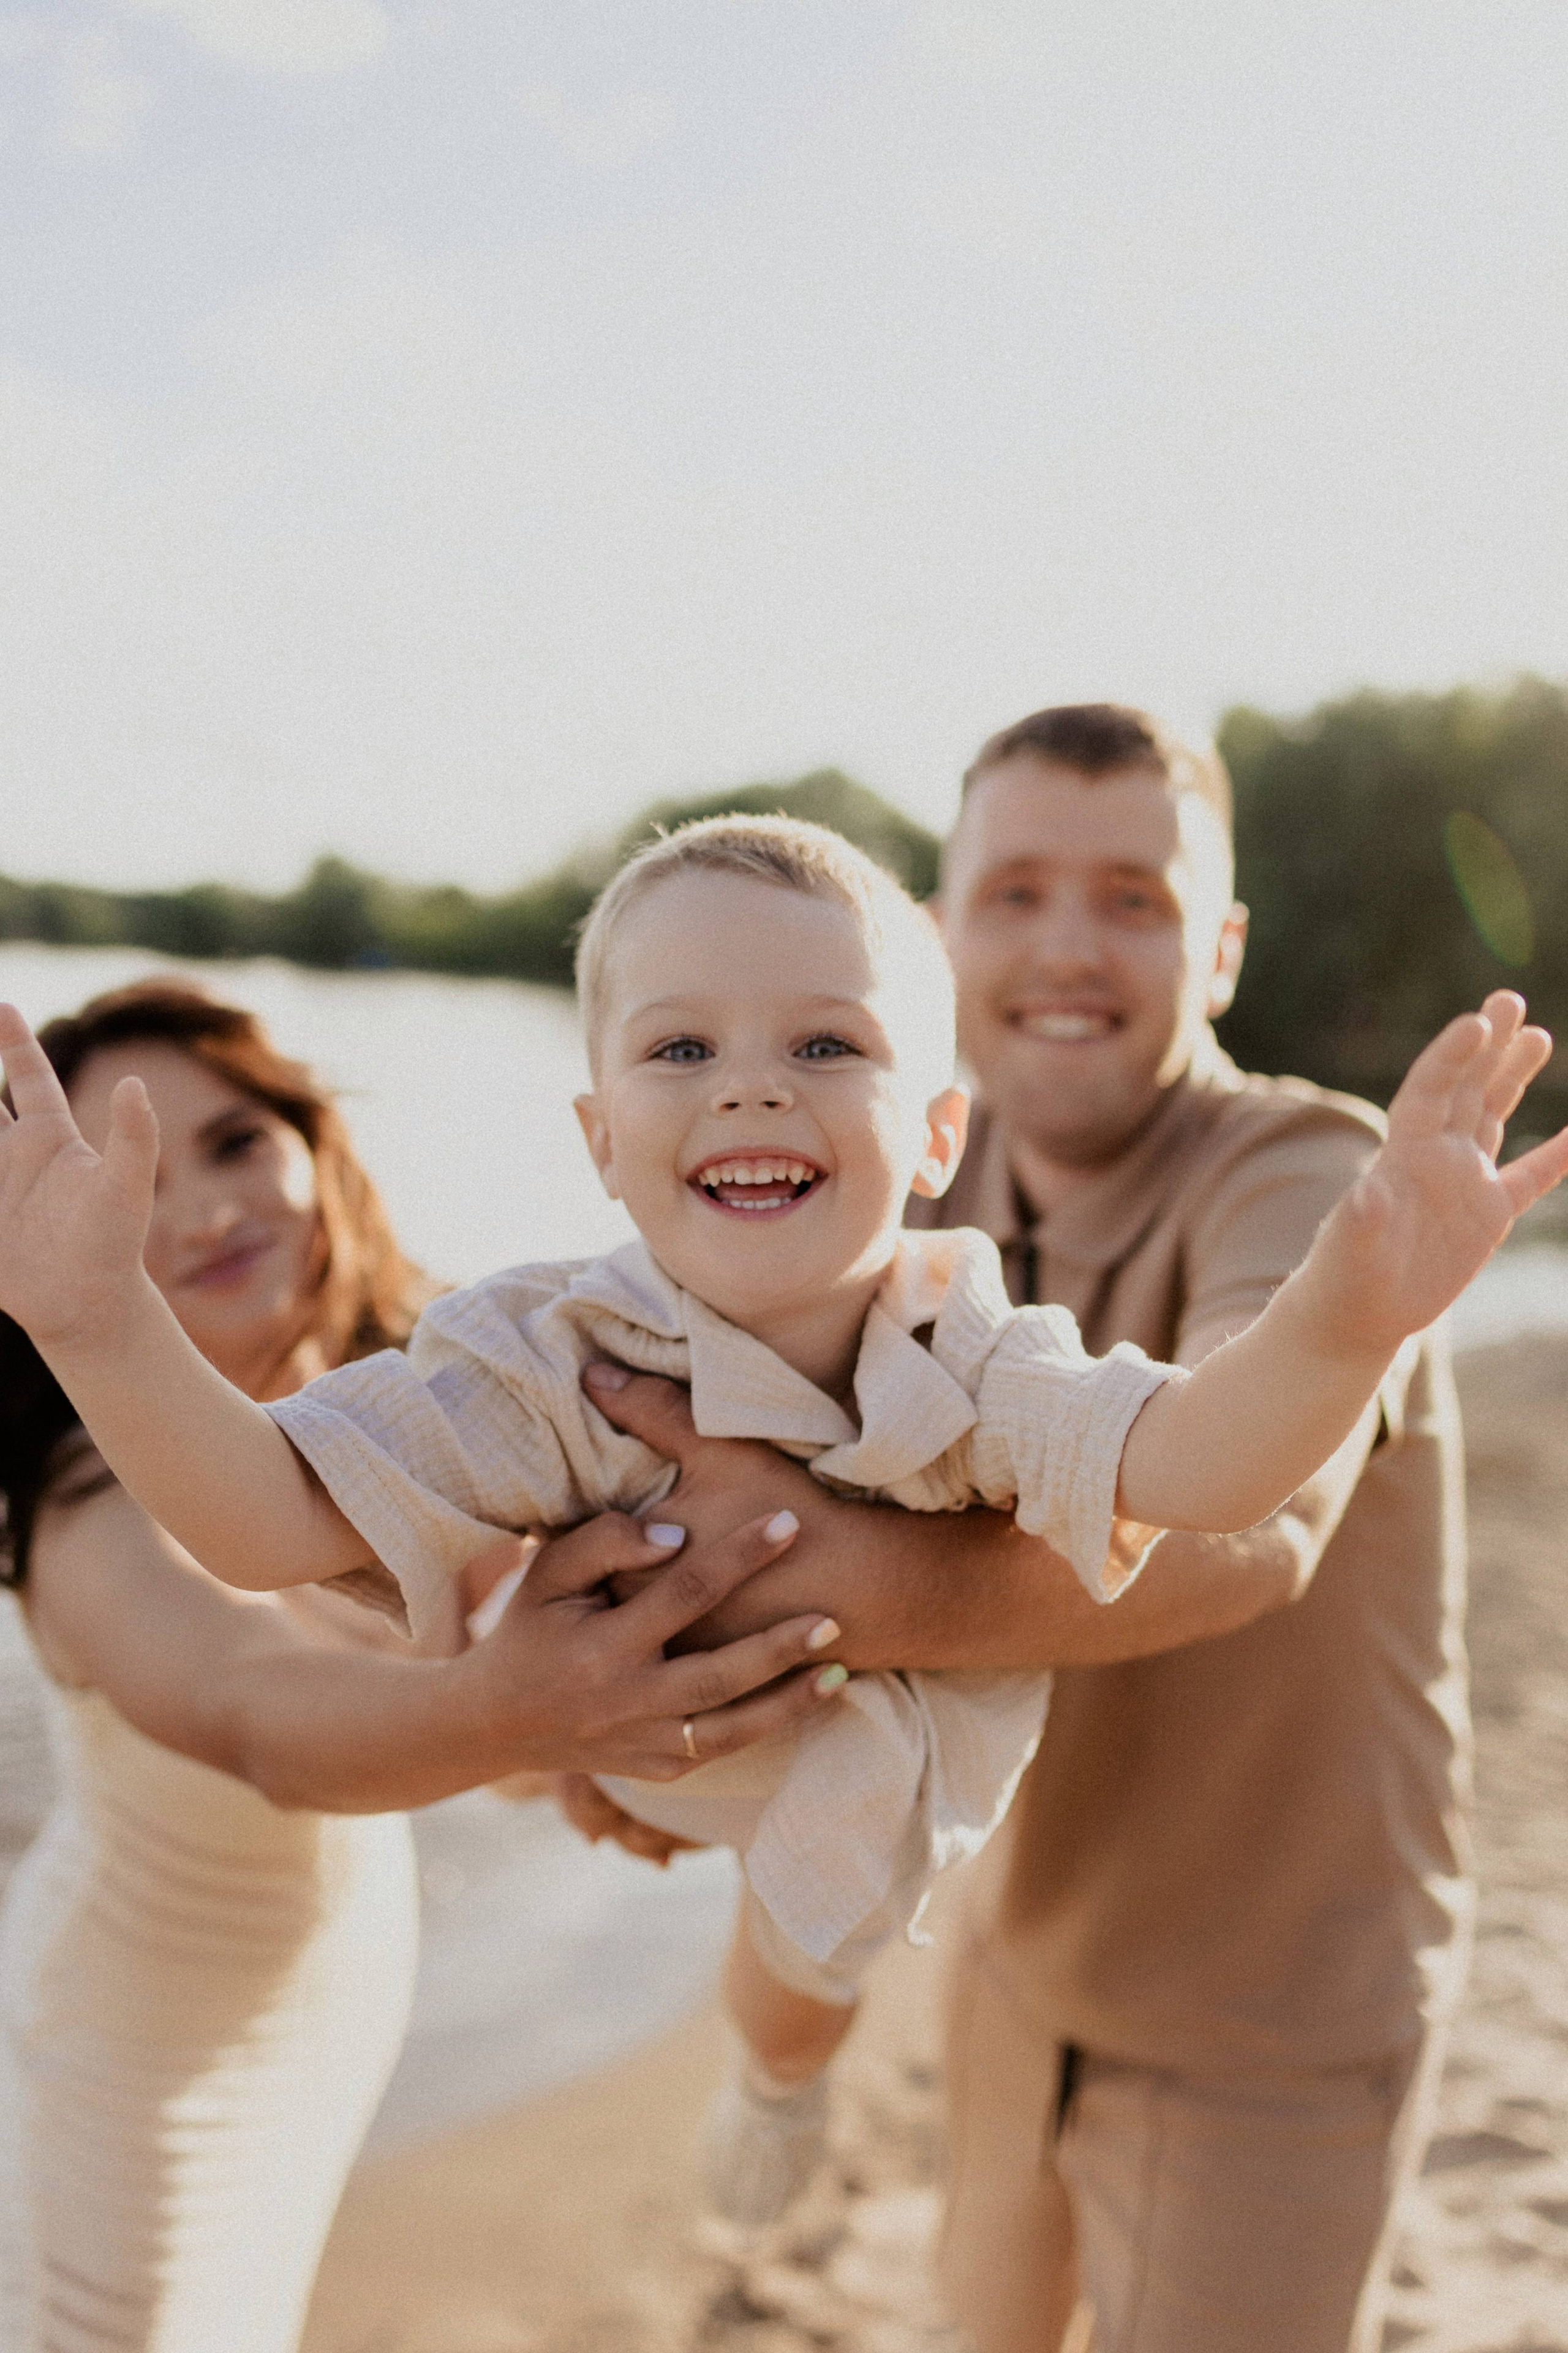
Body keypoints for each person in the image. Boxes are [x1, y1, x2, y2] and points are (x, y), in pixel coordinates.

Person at [0, 815, 1559, 2255]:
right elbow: (270, 1517)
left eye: (825, 1042)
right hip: (620, 1744)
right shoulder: (547, 1353)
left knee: (803, 1982)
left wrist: (1346, 1317)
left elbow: (1199, 1467)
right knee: (518, 1679)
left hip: (858, 1757)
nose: (750, 1087)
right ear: (601, 1138)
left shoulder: (970, 1348)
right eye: (681, 1047)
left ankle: (771, 2079)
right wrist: (97, 1324)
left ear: (937, 1133)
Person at [574, 704, 1493, 2351]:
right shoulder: (898, 1153)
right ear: (937, 938)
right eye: (1016, 893)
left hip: (1274, 1993)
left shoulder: (1307, 1170)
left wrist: (819, 1586)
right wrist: (623, 1712)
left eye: (1133, 898)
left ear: (1218, 952)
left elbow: (1248, 1531)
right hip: (1014, 1948)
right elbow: (680, 1416)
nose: (1068, 945)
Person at [0, 979, 840, 2353]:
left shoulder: (423, 1405)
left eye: (233, 1142)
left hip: (329, 2001)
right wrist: (511, 1710)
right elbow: (258, 1713)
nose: (203, 1213)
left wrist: (597, 1758)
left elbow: (496, 1696)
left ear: (314, 1144)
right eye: (131, 1183)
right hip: (136, 2046)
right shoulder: (94, 1502)